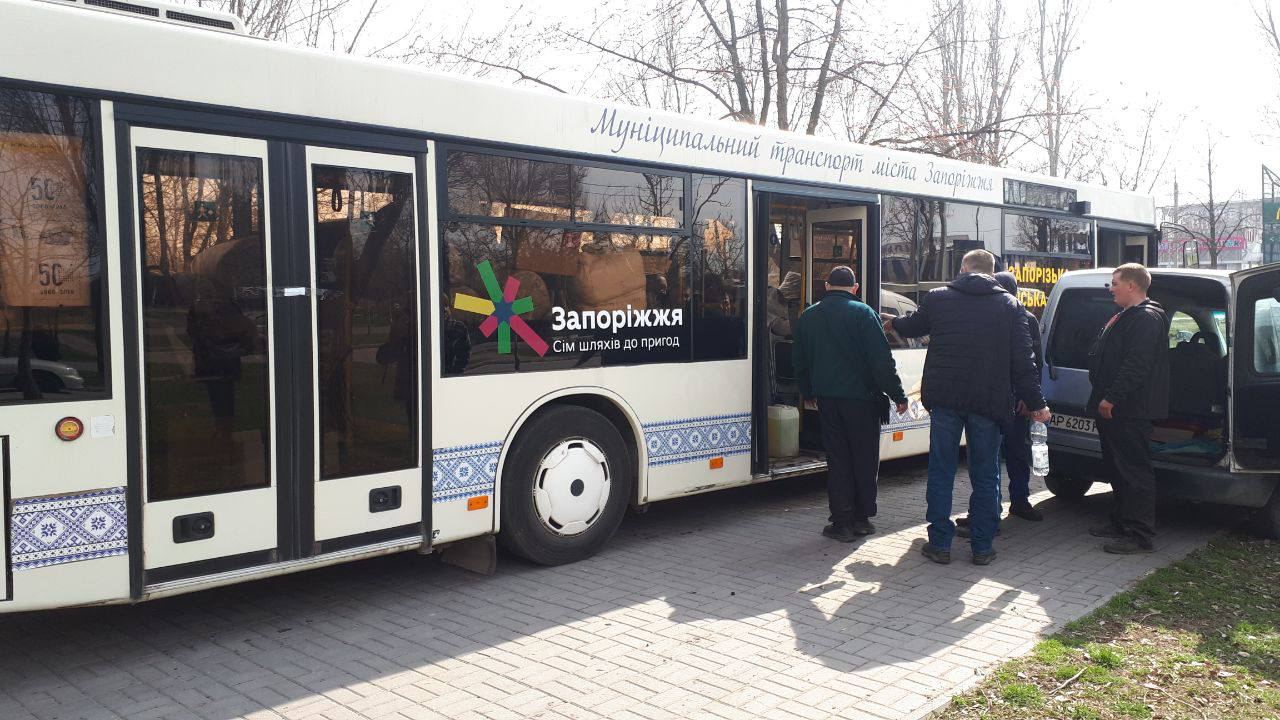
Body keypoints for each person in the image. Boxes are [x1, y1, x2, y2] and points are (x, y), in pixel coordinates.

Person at [883, 250, 1050, 566]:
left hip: (945, 400)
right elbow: (1024, 362)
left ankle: (940, 544)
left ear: (962, 268)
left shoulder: (938, 298)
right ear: (992, 272)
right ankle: (982, 547)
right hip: (989, 403)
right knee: (986, 474)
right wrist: (1037, 403)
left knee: (941, 471)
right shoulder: (1010, 306)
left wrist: (893, 323)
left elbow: (912, 326)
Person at [793, 266, 909, 542]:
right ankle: (862, 519)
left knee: (838, 460)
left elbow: (800, 360)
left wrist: (807, 391)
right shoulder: (865, 314)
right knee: (865, 459)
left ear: (826, 286)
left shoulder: (808, 316)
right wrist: (898, 395)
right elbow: (882, 362)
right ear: (855, 288)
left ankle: (841, 522)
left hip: (828, 400)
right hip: (863, 401)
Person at [1087, 263, 1169, 554]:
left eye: (1115, 283)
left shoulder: (1146, 318)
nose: (1110, 289)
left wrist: (1111, 397)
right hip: (1115, 409)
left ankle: (1139, 534)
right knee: (1117, 468)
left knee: (1134, 471)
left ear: (1132, 285)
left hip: (1129, 409)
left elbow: (1136, 365)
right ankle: (1121, 520)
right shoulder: (1126, 314)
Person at [956, 271, 1044, 536]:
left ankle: (1004, 506)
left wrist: (1026, 398)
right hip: (1004, 399)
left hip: (1006, 400)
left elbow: (1033, 362)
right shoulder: (1017, 315)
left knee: (997, 457)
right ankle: (998, 508)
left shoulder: (1022, 318)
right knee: (1003, 456)